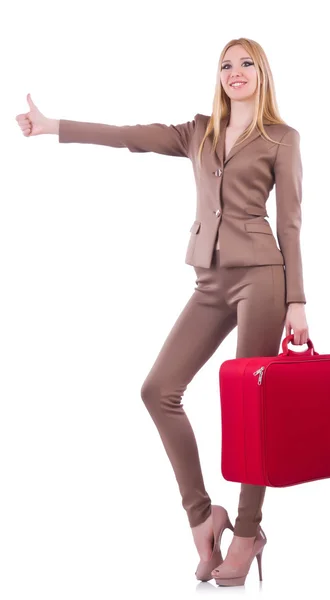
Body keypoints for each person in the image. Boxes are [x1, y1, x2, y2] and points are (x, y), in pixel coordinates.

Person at [16, 37, 309, 586]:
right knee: (158, 389)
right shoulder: (198, 132)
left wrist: (298, 301)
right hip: (209, 280)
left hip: (263, 280)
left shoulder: (282, 139)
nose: (235, 71)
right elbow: (131, 138)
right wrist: (53, 125)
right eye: (226, 64)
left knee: (251, 408)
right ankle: (203, 517)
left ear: (262, 73)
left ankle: (248, 532)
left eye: (246, 63)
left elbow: (290, 222)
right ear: (218, 76)